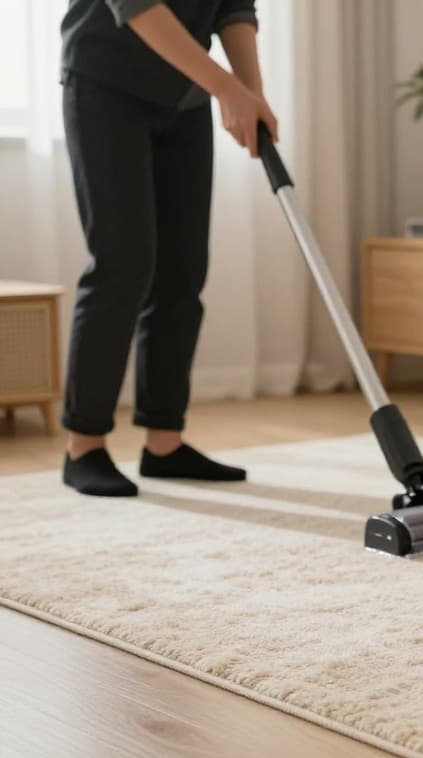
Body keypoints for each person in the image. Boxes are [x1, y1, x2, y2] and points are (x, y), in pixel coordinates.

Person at [59, 0, 278, 496]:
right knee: (122, 264)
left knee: (183, 270)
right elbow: (136, 5)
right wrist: (228, 88)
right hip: (104, 82)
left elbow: (233, 8)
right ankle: (84, 445)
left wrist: (251, 94)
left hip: (183, 96)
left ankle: (164, 443)